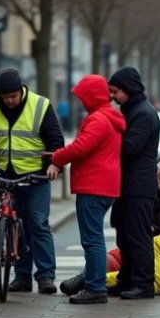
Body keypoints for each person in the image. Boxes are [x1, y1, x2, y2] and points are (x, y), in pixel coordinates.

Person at [59, 154, 160, 296]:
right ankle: (82, 281)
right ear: (156, 174)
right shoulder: (142, 192)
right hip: (136, 245)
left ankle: (86, 283)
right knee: (108, 259)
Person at [48, 75, 125, 304]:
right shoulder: (108, 117)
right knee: (94, 238)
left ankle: (95, 287)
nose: (81, 101)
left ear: (92, 96)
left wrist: (56, 158)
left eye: (83, 96)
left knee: (92, 240)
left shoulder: (98, 119)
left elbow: (81, 147)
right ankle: (94, 285)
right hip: (104, 185)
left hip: (94, 185)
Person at [0, 69, 64, 294]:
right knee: (13, 226)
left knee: (38, 225)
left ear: (21, 90)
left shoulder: (40, 105)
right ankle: (21, 277)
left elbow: (55, 139)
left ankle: (46, 277)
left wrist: (54, 164)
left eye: (14, 96)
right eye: (6, 97)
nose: (10, 100)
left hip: (35, 177)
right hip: (6, 177)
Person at [107, 66, 160, 299]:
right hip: (126, 184)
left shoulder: (143, 113)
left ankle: (143, 284)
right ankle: (126, 279)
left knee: (138, 236)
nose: (113, 96)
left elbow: (129, 148)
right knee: (124, 234)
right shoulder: (131, 110)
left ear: (128, 89)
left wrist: (106, 134)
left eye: (116, 91)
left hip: (138, 186)